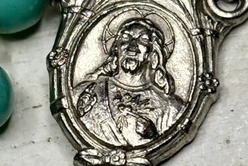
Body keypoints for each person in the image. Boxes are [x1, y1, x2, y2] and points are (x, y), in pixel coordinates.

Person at [74, 15, 184, 147]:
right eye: (126, 38)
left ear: (153, 54)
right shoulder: (86, 92)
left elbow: (168, 140)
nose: (132, 46)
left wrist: (152, 135)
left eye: (143, 40)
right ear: (116, 48)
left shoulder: (170, 108)